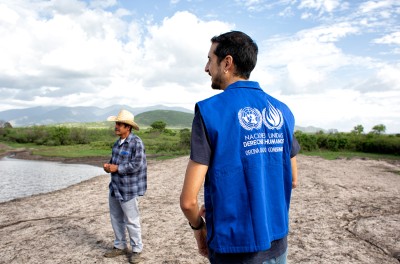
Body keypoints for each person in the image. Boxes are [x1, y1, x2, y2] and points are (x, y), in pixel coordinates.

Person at [180, 31, 300, 264]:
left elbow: (188, 201)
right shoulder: (283, 111)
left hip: (233, 248)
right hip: (277, 243)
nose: (206, 68)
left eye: (209, 60)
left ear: (227, 63)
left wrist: (199, 229)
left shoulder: (209, 112)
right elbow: (293, 178)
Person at [103, 109, 147, 264]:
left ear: (128, 127)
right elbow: (114, 162)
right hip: (114, 187)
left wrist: (117, 168)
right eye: (116, 123)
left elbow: (137, 165)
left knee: (131, 219)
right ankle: (120, 246)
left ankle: (137, 250)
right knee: (115, 217)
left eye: (119, 124)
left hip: (128, 189)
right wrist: (108, 166)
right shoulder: (117, 144)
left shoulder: (137, 143)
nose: (116, 126)